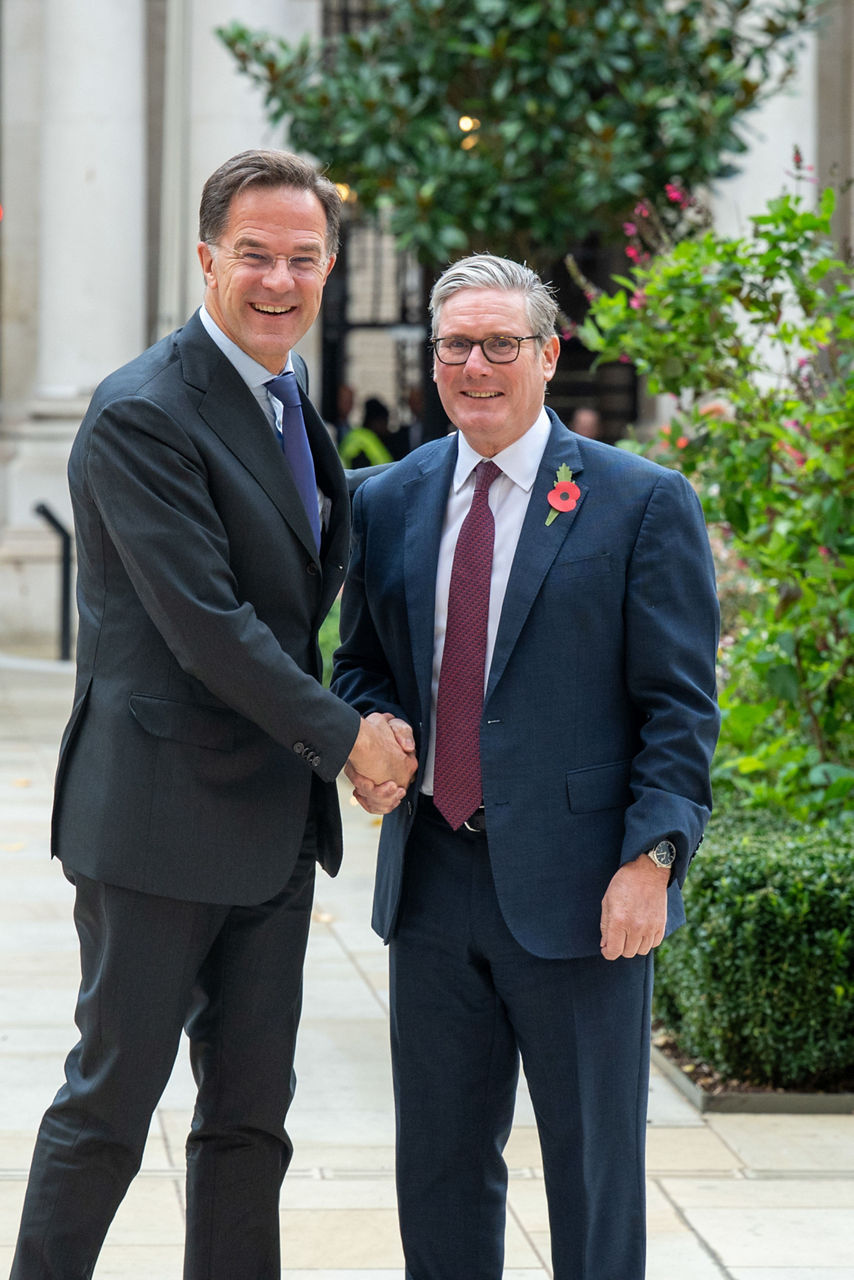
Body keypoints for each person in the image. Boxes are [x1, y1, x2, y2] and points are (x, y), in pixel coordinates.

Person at [10, 149, 415, 1280]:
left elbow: (294, 611)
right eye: (253, 255)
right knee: (107, 1110)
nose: (277, 279)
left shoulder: (287, 401)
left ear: (328, 267)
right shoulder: (144, 410)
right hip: (154, 825)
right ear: (206, 258)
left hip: (267, 828)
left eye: (301, 258)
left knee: (249, 1122)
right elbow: (208, 625)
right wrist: (349, 739)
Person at [332, 254, 720, 1280]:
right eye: (454, 344)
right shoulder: (388, 499)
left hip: (585, 893)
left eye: (500, 343)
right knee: (441, 1174)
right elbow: (361, 663)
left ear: (547, 355)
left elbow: (679, 708)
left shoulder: (638, 502)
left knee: (593, 1180)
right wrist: (368, 733)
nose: (474, 364)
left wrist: (655, 857)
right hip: (431, 888)